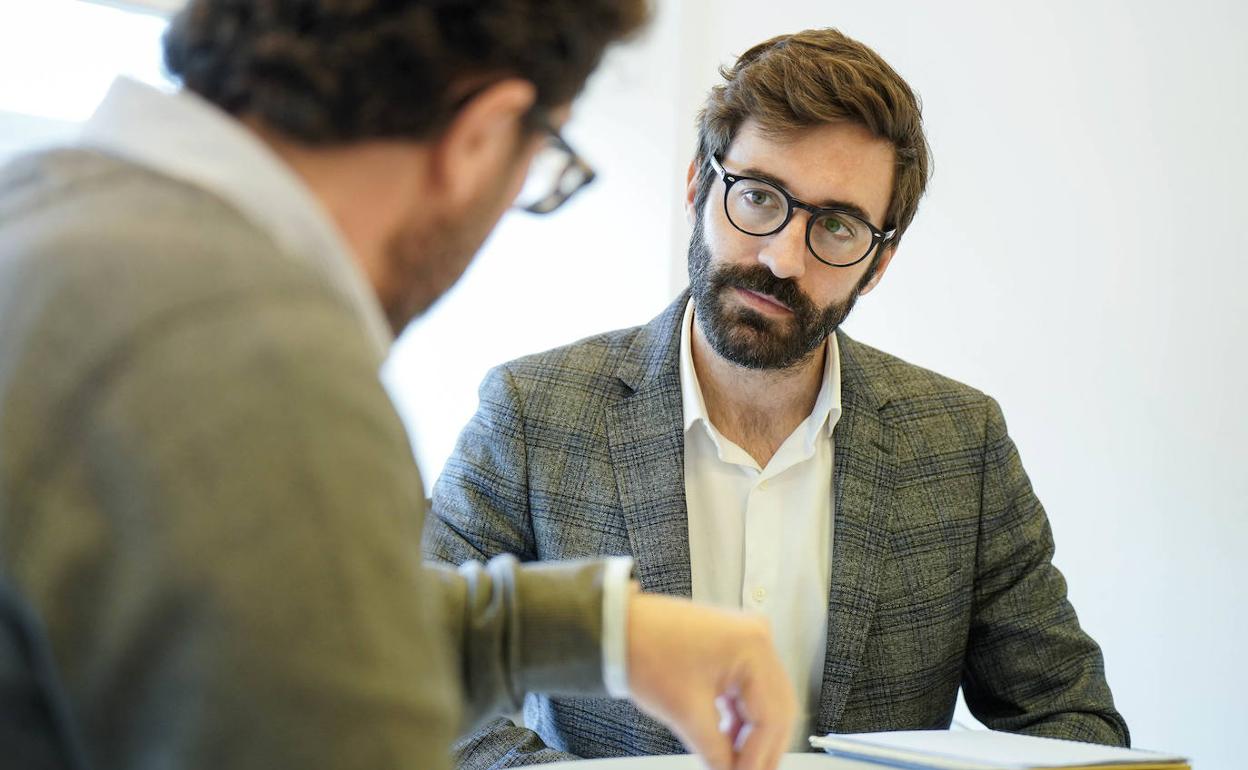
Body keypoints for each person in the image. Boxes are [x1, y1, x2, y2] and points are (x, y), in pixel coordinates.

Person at [0, 3, 801, 770]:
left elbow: (271, 639)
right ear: (482, 136)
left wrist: (605, 630)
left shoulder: (46, 212)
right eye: (540, 156)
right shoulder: (258, 359)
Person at [424, 27, 1130, 768]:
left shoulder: (963, 443)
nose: (782, 258)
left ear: (878, 264)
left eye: (837, 226)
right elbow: (416, 681)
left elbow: (1073, 723)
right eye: (759, 197)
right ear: (697, 188)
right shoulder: (531, 413)